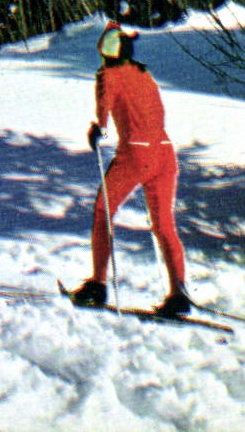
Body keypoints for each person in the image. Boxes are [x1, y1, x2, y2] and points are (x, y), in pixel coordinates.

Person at [69, 23, 191, 316]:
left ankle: (98, 283)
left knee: (103, 211)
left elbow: (104, 107)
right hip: (165, 152)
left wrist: (98, 128)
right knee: (164, 226)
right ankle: (179, 293)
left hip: (135, 154)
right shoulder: (144, 73)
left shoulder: (108, 75)